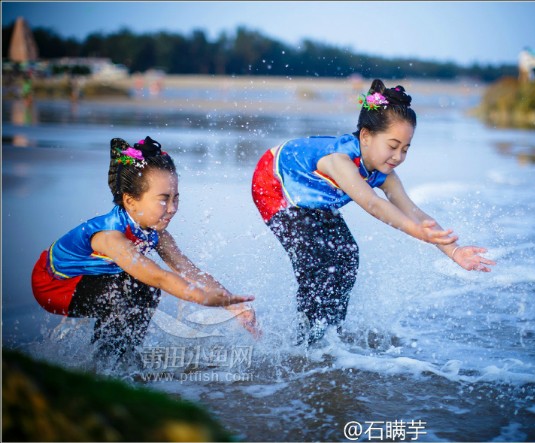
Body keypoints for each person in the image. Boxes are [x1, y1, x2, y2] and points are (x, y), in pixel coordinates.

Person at [251, 79, 496, 345]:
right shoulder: (340, 160)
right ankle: (307, 340)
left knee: (347, 255)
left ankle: (331, 333)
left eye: (405, 149)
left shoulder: (384, 172)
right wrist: (416, 233)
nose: (399, 156)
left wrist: (454, 251)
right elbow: (372, 203)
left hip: (315, 197)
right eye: (392, 146)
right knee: (319, 260)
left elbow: (414, 212)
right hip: (275, 185)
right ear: (366, 136)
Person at [31, 136, 259, 368]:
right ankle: (106, 365)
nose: (172, 209)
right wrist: (204, 299)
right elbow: (158, 276)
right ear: (130, 201)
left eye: (175, 198)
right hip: (55, 284)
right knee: (130, 289)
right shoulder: (111, 237)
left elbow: (189, 270)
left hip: (90, 277)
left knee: (141, 289)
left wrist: (232, 304)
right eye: (163, 200)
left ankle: (125, 354)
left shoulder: (156, 232)